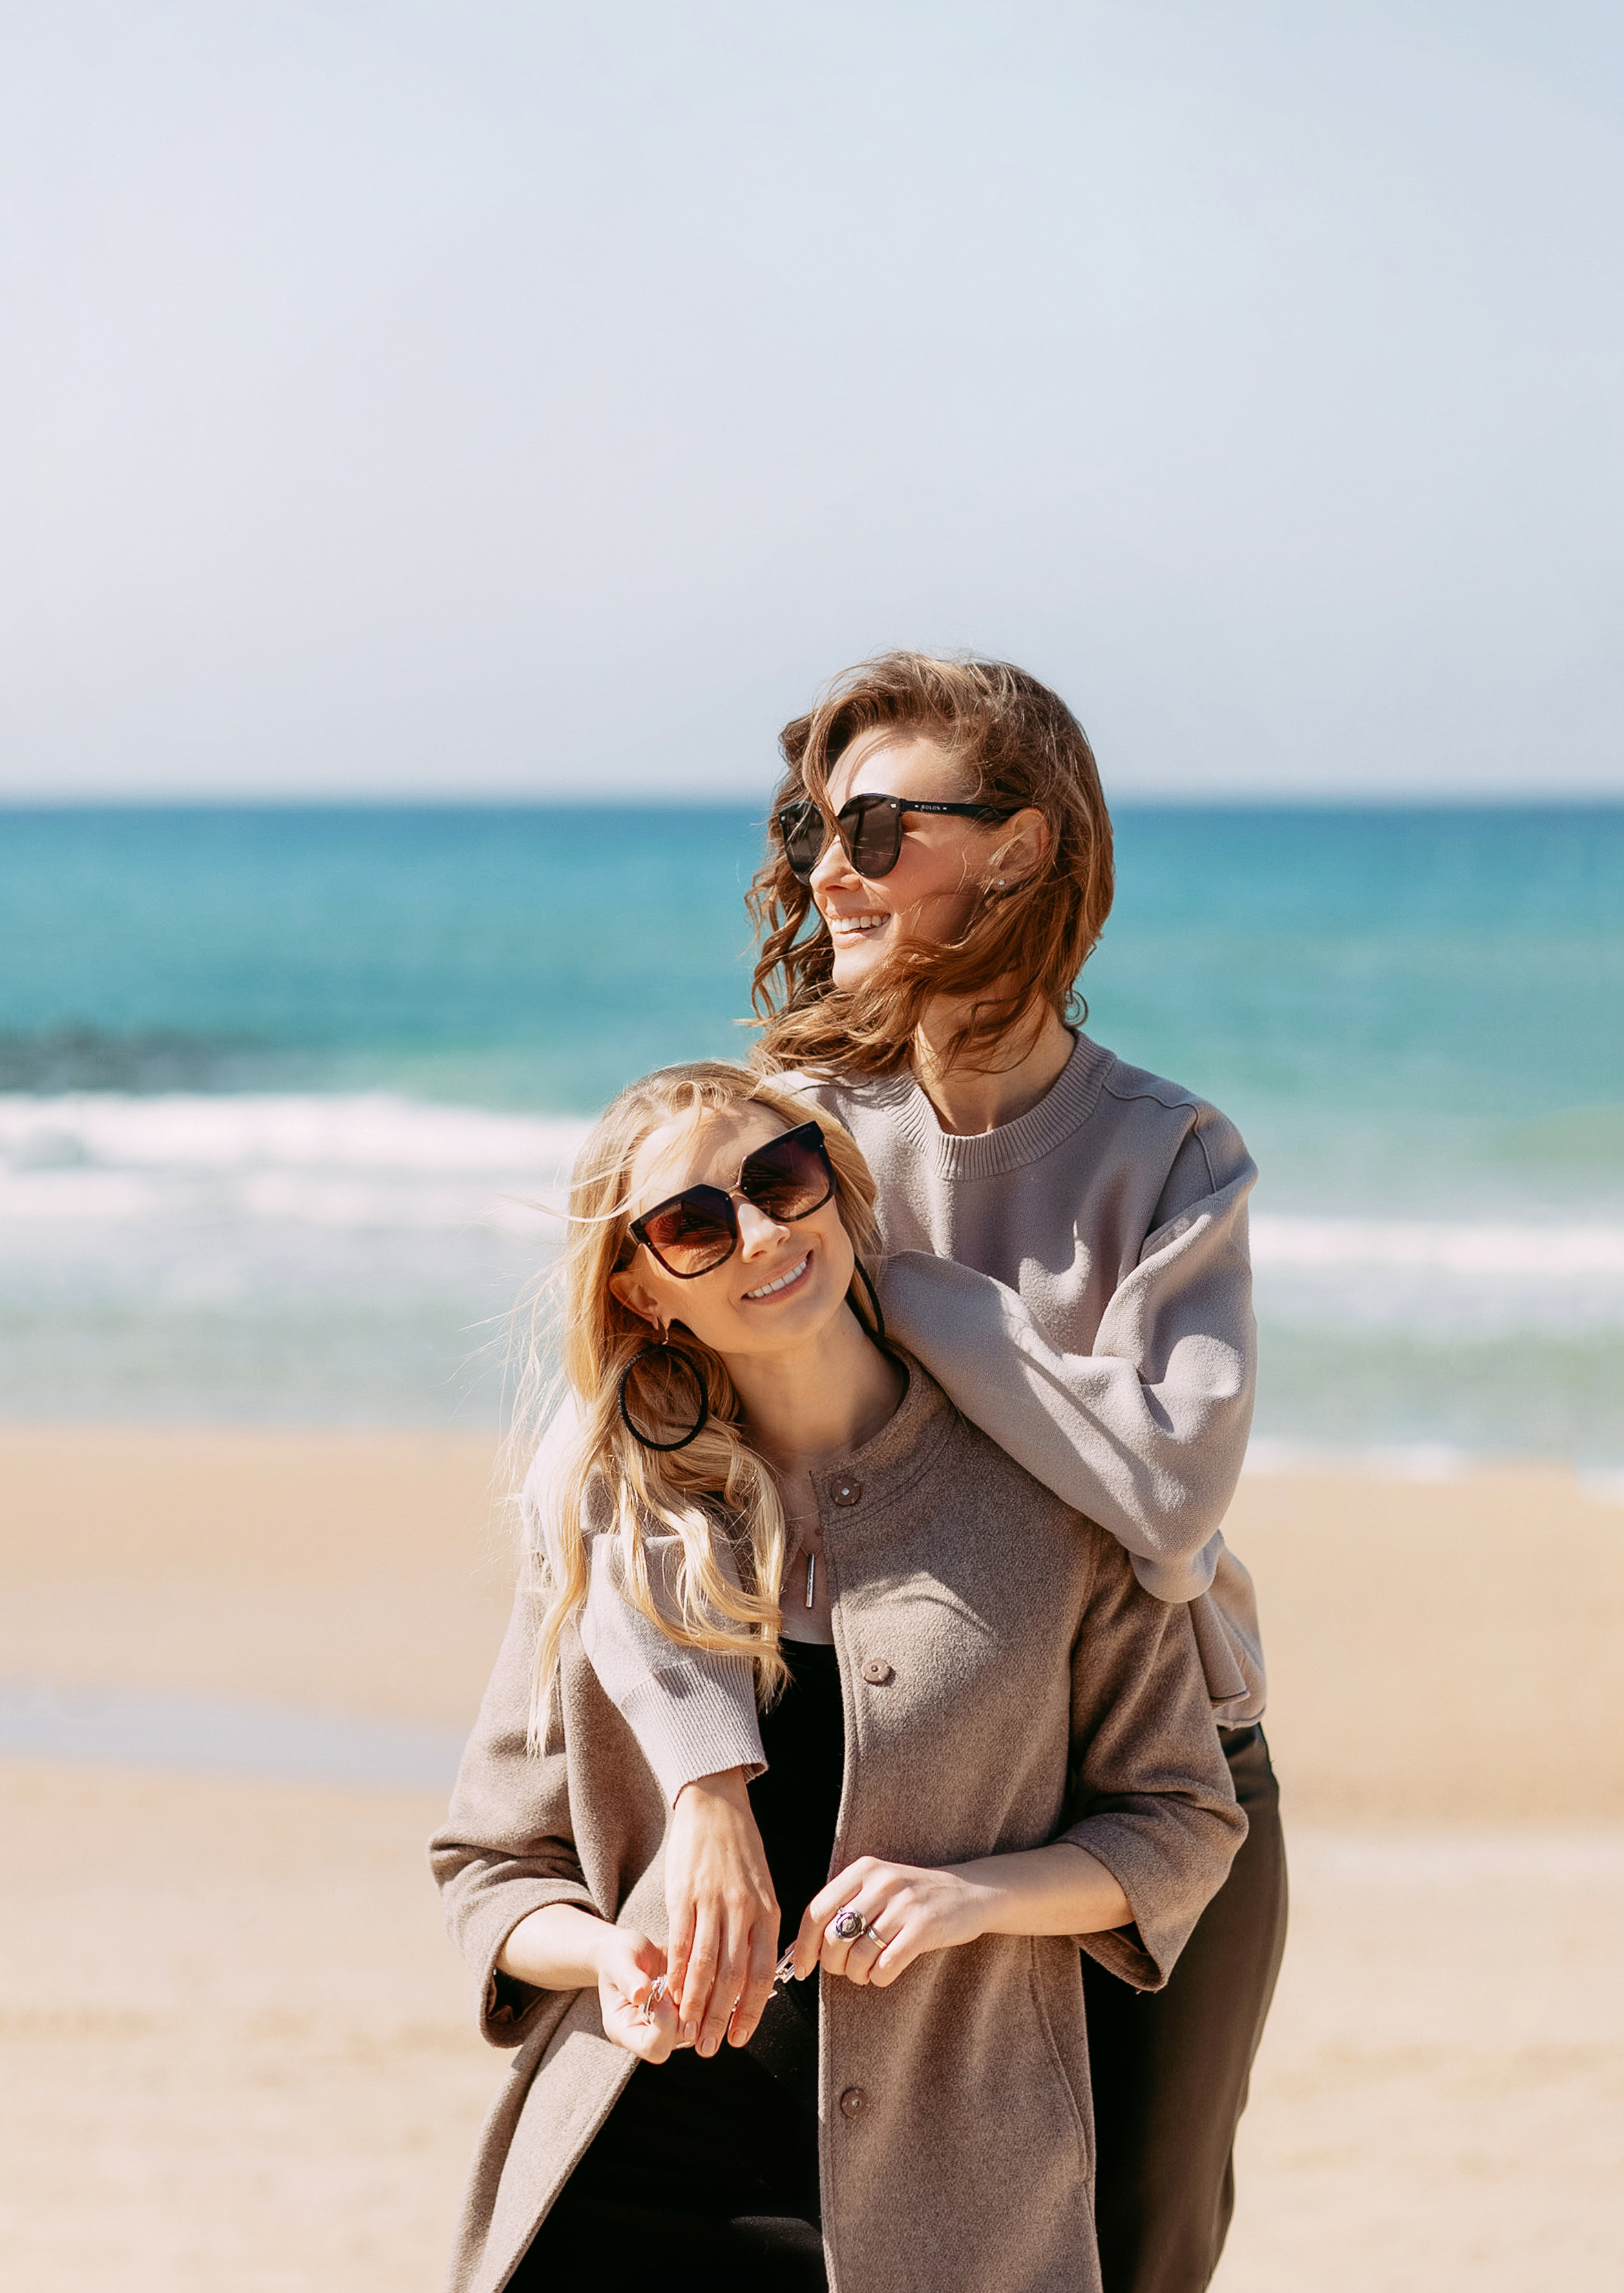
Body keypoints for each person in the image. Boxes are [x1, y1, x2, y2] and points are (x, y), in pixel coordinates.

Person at [570, 655, 1289, 2293]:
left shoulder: (1170, 1157)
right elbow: (613, 1461)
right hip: (866, 1749)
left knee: (1142, 2243)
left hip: (1156, 1764)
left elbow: (1168, 1511)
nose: (831, 868)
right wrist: (703, 1786)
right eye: (820, 827)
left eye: (881, 825)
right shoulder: (792, 1137)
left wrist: (920, 1295)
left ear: (1022, 851)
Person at [432, 1062, 1245, 2293]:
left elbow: (1181, 1819)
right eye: (693, 1226)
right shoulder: (613, 1523)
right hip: (625, 2186)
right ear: (643, 1293)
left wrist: (973, 1898)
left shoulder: (1043, 1502)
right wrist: (609, 1963)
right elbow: (492, 1871)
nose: (762, 1233)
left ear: (838, 1190)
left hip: (951, 2210)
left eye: (781, 1178)